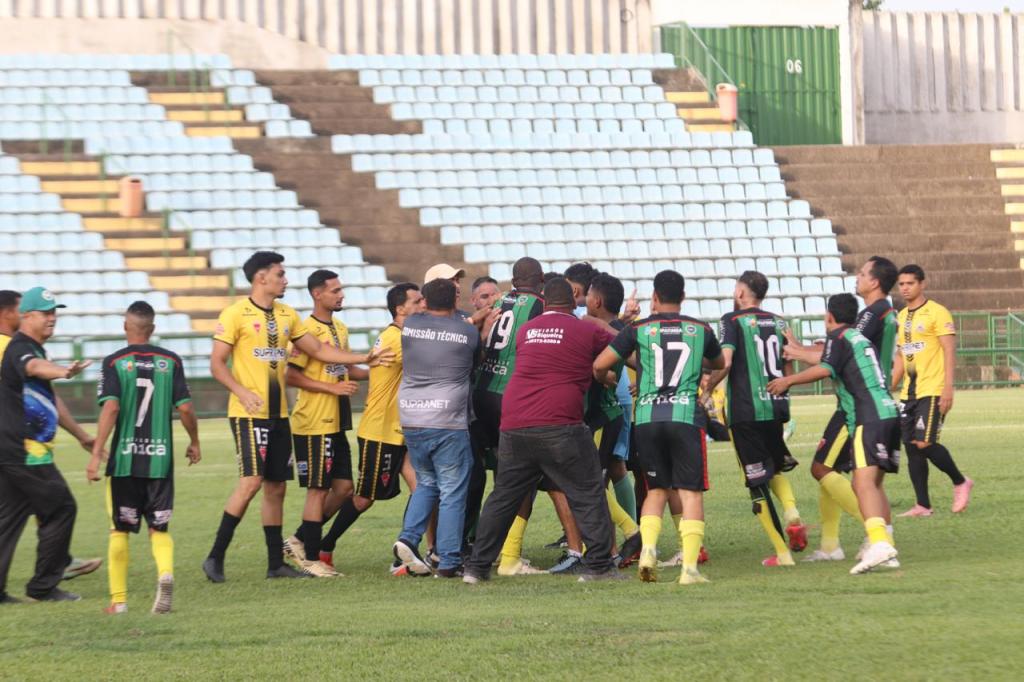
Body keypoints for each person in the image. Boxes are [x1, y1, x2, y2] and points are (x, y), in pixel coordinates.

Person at [202, 251, 393, 583]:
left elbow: (318, 351)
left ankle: (276, 563)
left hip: (280, 415)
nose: (285, 279)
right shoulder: (235, 314)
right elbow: (217, 363)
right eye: (280, 274)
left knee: (276, 488)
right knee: (250, 483)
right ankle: (215, 556)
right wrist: (241, 390)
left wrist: (365, 357)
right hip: (249, 414)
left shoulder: (288, 315)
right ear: (261, 277)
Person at [464, 277, 621, 583]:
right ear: (572, 302)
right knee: (588, 491)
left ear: (544, 303)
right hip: (560, 424)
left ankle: (476, 567)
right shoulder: (585, 329)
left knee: (504, 497)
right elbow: (619, 348)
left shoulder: (526, 331)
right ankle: (599, 565)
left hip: (514, 424)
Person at [594, 270, 724, 585]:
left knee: (656, 490)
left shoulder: (638, 329)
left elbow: (599, 364)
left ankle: (649, 551)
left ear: (654, 297)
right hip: (684, 418)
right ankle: (689, 570)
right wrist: (701, 376)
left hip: (648, 418)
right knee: (690, 493)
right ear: (682, 297)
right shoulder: (700, 330)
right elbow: (720, 364)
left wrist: (608, 381)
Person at [768, 293, 902, 575]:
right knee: (874, 484)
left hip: (868, 415)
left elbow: (825, 367)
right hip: (889, 411)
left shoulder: (838, 338)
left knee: (862, 484)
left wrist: (788, 380)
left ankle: (878, 544)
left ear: (828, 317)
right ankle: (882, 544)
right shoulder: (857, 338)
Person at [86, 301, 201, 614]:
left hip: (124, 462)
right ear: (153, 329)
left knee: (119, 530)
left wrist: (96, 455)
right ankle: (164, 572)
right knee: (158, 530)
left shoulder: (113, 362)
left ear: (126, 327)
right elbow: (187, 408)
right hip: (160, 461)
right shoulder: (171, 360)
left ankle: (119, 602)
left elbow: (111, 408)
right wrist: (194, 442)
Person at [318, 283, 427, 573]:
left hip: (401, 427)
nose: (422, 305)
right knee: (365, 498)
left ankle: (408, 551)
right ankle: (320, 544)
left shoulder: (403, 335)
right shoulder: (396, 339)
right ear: (400, 308)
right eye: (417, 301)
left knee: (422, 488)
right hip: (381, 430)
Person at [0, 290, 101, 584]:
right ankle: (45, 584)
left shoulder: (26, 346)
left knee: (11, 516)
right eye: (46, 313)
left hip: (14, 445)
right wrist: (62, 371)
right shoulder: (17, 348)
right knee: (61, 506)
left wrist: (82, 436)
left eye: (54, 312)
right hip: (24, 447)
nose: (52, 318)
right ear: (25, 316)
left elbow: (46, 392)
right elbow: (32, 366)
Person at [706, 271, 806, 567]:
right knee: (773, 467)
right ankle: (791, 513)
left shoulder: (731, 320)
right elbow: (790, 359)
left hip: (745, 411)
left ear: (740, 293)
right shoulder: (779, 322)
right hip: (775, 406)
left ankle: (783, 553)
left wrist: (708, 387)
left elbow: (726, 361)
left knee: (755, 482)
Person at [392, 278, 479, 578]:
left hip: (412, 417)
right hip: (448, 419)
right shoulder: (467, 331)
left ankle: (407, 538)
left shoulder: (411, 326)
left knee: (427, 483)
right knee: (453, 491)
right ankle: (450, 560)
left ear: (425, 301)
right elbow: (474, 361)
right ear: (455, 302)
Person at [283, 270, 366, 577]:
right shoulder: (305, 330)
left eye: (341, 289)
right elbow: (290, 375)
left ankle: (298, 540)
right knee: (317, 491)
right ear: (317, 294)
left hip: (335, 421)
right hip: (314, 422)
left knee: (344, 488)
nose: (341, 294)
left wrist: (380, 366)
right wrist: (332, 388)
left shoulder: (340, 327)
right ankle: (312, 559)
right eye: (335, 290)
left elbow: (345, 369)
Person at [469, 257, 549, 576]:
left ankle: (476, 544)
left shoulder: (499, 300)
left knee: (493, 475)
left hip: (480, 391)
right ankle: (508, 555)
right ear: (541, 279)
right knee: (519, 479)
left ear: (513, 280)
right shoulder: (541, 305)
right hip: (508, 397)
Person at [892, 265, 972, 516]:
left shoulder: (937, 312)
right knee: (912, 448)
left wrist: (948, 387)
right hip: (909, 392)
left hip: (933, 388)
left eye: (910, 283)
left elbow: (949, 349)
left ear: (922, 284)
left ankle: (960, 481)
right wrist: (888, 388)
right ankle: (923, 505)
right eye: (901, 284)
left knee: (925, 442)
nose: (905, 288)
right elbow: (902, 357)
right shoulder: (902, 316)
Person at [582, 273, 641, 563]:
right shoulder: (620, 328)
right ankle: (626, 542)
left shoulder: (601, 330)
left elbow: (606, 371)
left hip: (604, 414)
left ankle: (618, 543)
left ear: (596, 300)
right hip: (614, 411)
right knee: (614, 469)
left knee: (594, 481)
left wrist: (600, 374)